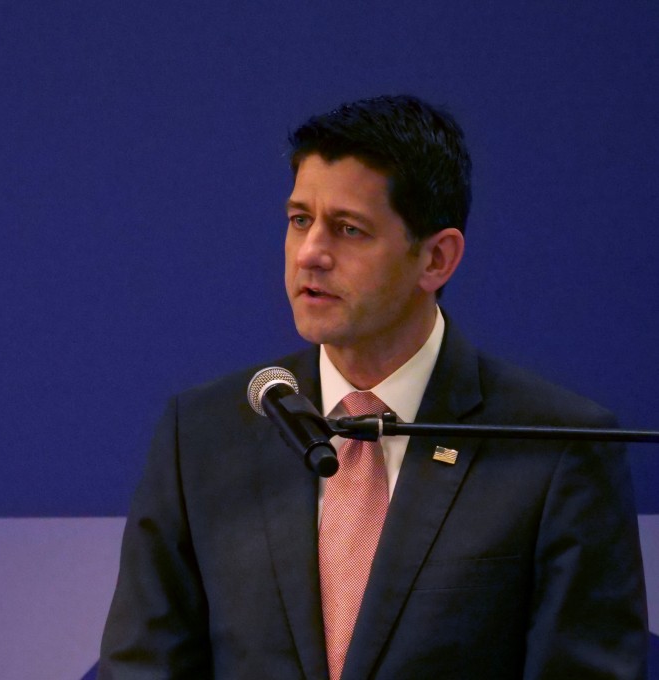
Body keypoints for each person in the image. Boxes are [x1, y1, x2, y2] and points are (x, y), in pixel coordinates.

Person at [97, 95, 647, 679]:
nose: (310, 254)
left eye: (349, 229)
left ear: (436, 258)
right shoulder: (204, 436)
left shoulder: (555, 445)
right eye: (299, 220)